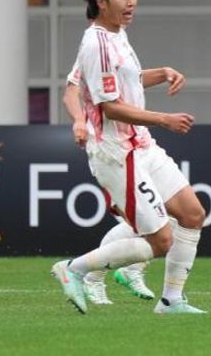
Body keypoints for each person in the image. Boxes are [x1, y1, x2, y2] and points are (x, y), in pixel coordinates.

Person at [50, 0, 206, 314]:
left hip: (141, 143)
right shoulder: (97, 44)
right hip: (116, 153)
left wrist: (162, 73)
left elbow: (127, 81)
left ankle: (172, 300)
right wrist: (164, 119)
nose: (131, 2)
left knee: (192, 213)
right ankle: (75, 268)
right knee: (161, 240)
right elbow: (110, 107)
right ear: (100, 2)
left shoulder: (117, 33)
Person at [63, 66, 155, 305]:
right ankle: (95, 277)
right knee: (140, 222)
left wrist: (164, 74)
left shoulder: (122, 52)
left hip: (141, 148)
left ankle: (128, 270)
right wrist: (79, 120)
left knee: (161, 219)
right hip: (112, 152)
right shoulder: (93, 52)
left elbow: (133, 81)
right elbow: (71, 91)